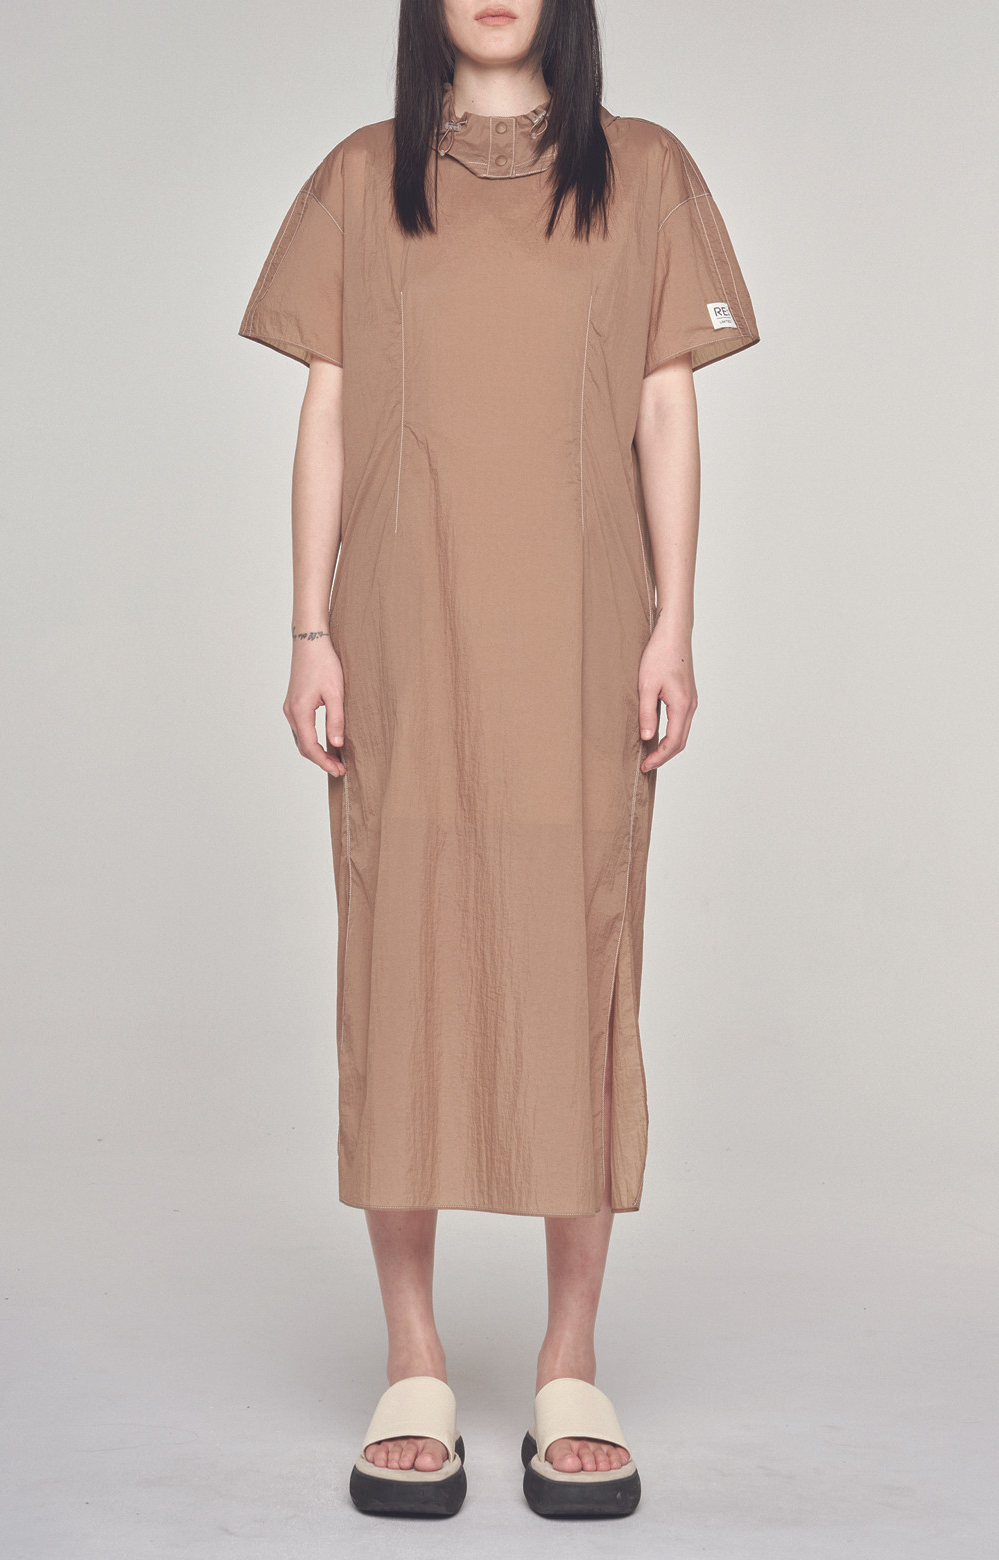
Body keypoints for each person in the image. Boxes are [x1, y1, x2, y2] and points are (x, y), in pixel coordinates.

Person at [238, 0, 758, 1521]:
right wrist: (310, 630)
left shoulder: (642, 171)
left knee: (574, 960)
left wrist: (673, 625)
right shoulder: (363, 176)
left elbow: (666, 406)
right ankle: (411, 1358)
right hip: (404, 634)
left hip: (583, 637)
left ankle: (568, 1361)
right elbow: (328, 410)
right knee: (400, 962)